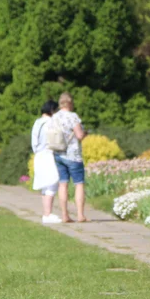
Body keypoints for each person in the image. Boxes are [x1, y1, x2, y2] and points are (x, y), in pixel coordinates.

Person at [51, 92, 88, 223]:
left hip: (58, 153)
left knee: (63, 183)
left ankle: (64, 215)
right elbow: (79, 135)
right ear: (70, 103)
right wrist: (85, 134)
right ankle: (80, 215)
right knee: (79, 184)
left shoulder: (54, 117)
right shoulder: (73, 117)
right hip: (73, 155)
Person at [31, 100, 61, 224]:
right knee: (52, 183)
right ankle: (48, 214)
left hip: (38, 155)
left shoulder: (37, 122)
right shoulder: (50, 123)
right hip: (48, 154)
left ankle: (46, 212)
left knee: (44, 185)